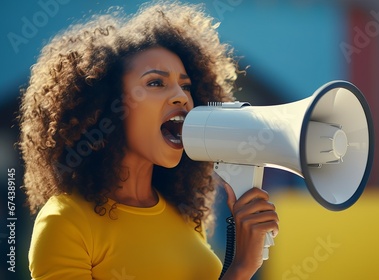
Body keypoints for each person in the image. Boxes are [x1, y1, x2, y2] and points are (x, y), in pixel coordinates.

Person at [18, 1, 279, 279]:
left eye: (186, 86)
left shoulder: (186, 216)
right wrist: (239, 269)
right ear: (105, 105)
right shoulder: (65, 221)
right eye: (156, 82)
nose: (182, 96)